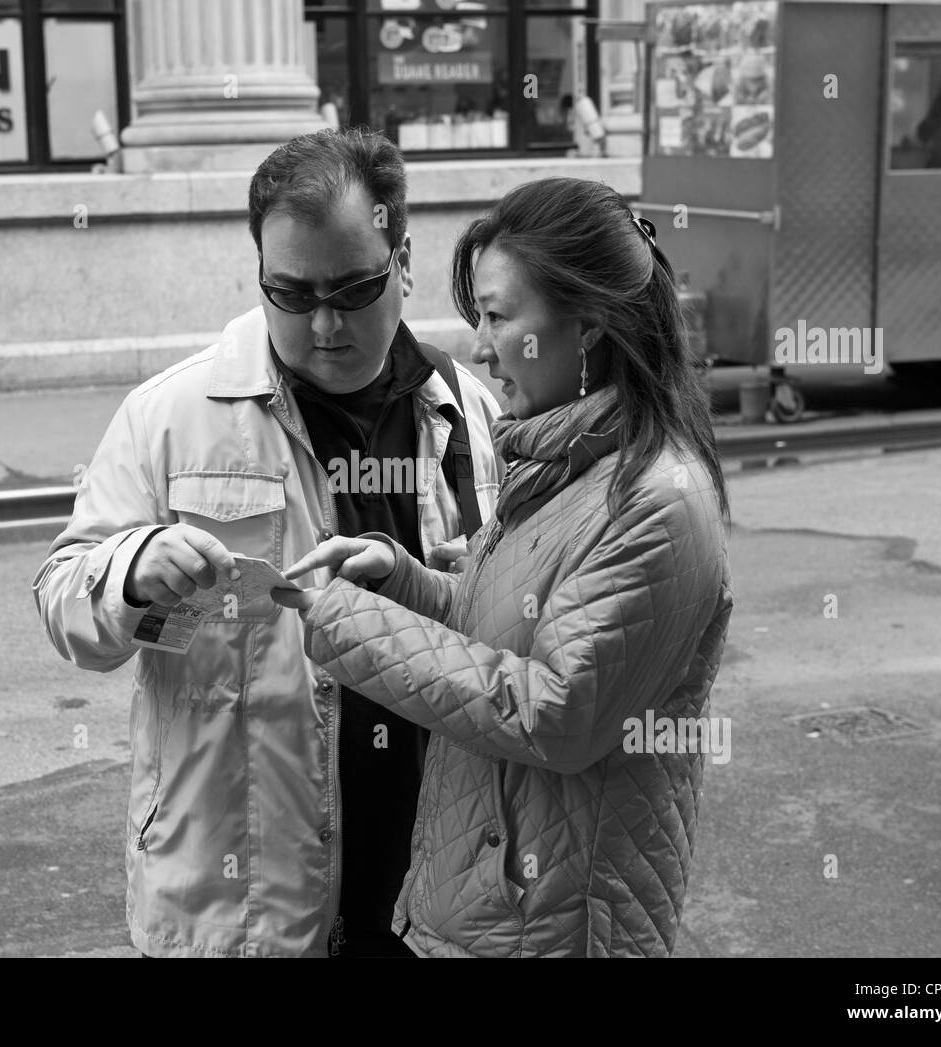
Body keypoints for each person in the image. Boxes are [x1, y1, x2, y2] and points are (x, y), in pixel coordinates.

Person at [31, 128, 502, 958]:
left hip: (435, 893)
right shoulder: (174, 415)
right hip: (243, 903)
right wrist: (134, 575)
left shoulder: (470, 411)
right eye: (290, 293)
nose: (323, 324)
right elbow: (64, 603)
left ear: (403, 261)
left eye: (352, 290)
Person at [274, 177, 733, 957]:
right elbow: (520, 625)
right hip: (491, 912)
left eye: (496, 315)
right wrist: (406, 582)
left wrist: (348, 621)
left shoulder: (656, 499)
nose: (479, 346)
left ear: (586, 326)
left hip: (552, 929)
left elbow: (555, 710)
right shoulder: (574, 461)